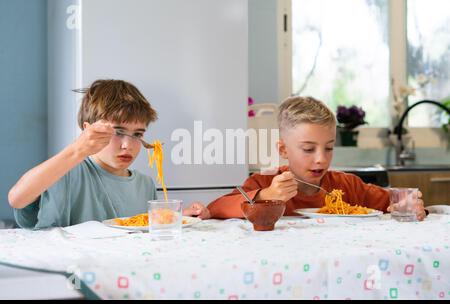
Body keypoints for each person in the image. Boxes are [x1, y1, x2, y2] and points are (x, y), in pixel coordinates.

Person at [9, 79, 210, 229]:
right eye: (118, 132)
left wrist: (180, 217)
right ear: (88, 130)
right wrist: (77, 149)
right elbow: (17, 198)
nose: (127, 145)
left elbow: (139, 227)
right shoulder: (69, 173)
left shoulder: (145, 185)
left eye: (137, 134)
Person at [208, 96, 427, 221]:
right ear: (283, 149)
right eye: (308, 149)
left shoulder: (346, 186)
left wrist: (411, 205)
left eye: (329, 148)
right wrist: (266, 195)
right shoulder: (264, 181)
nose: (321, 159)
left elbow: (393, 200)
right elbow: (216, 208)